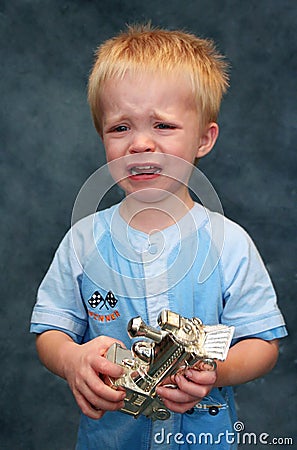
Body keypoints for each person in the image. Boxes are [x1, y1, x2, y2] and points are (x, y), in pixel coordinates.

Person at [30, 24, 287, 450]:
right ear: (102, 139)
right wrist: (72, 359)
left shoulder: (230, 244)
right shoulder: (83, 242)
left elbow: (262, 343)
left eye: (163, 126)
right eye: (120, 129)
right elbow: (51, 331)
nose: (140, 144)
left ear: (204, 138)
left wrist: (215, 372)